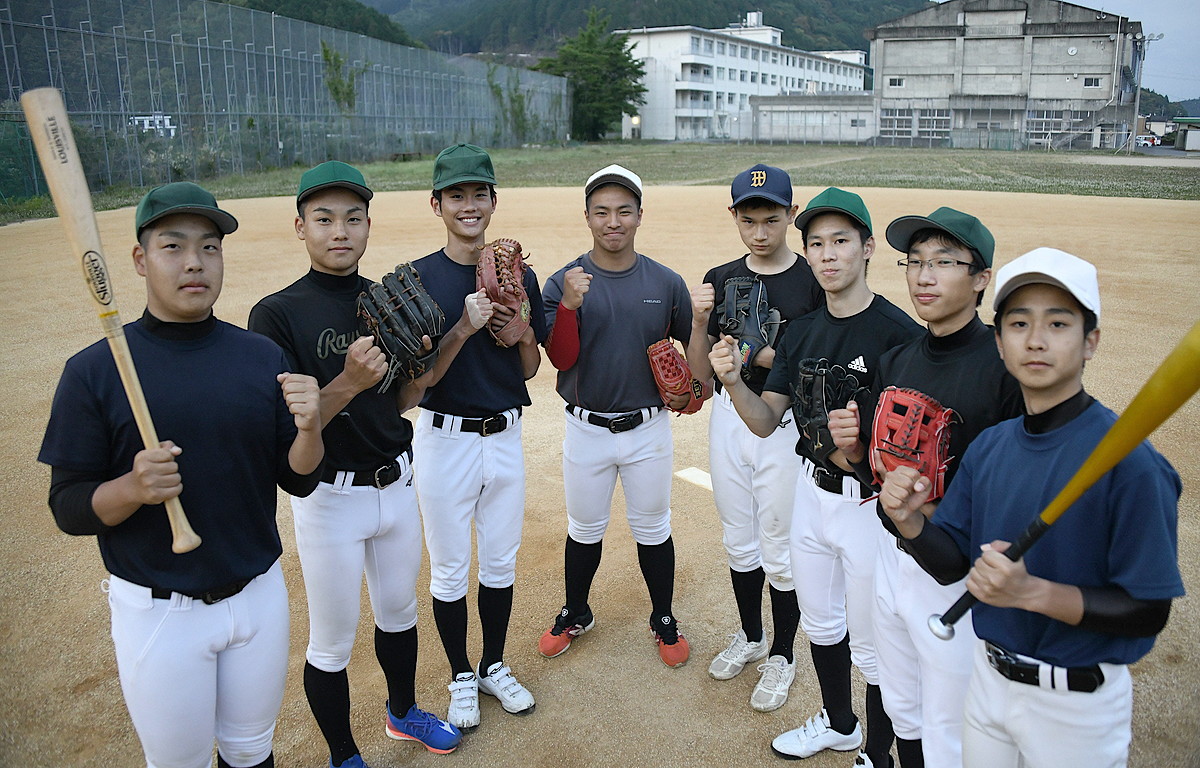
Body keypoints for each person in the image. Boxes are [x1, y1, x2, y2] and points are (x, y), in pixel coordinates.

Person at [39, 182, 324, 768]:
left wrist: (311, 429)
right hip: (161, 613)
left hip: (258, 595)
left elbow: (296, 481)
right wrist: (130, 489)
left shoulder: (260, 357)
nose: (194, 261)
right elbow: (67, 507)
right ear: (141, 261)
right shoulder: (93, 371)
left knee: (251, 753)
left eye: (209, 247)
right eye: (173, 246)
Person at [878, 248, 1184, 768]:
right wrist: (907, 520)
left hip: (1074, 707)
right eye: (1018, 323)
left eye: (1058, 323)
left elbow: (1148, 611)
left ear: (1091, 341)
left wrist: (1032, 593)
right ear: (999, 343)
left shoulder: (1132, 465)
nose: (1036, 340)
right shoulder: (993, 446)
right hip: (987, 683)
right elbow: (952, 561)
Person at [248, 162, 462, 768]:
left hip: (395, 481)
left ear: (368, 226)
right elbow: (289, 430)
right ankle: (344, 753)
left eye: (352, 217)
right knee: (332, 640)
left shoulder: (385, 299)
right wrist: (345, 380)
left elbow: (404, 400)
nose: (339, 230)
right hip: (327, 498)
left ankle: (401, 714)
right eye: (323, 218)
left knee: (399, 615)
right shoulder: (276, 314)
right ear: (300, 227)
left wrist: (422, 362)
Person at [710, 187, 920, 766]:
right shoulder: (800, 331)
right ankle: (839, 722)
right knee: (823, 625)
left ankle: (877, 754)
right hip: (810, 491)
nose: (828, 255)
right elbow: (764, 421)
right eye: (817, 244)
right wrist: (731, 381)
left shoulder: (897, 334)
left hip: (868, 508)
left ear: (868, 248)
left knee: (874, 646)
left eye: (841, 242)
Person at [827, 208, 1022, 768]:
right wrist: (857, 450)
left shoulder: (1005, 370)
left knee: (949, 730)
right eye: (914, 262)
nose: (924, 277)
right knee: (903, 709)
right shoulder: (899, 359)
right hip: (893, 558)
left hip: (957, 577)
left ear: (981, 278)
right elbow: (877, 474)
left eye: (943, 263)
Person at [410, 143, 546, 731]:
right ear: (437, 203)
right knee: (447, 569)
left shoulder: (522, 272)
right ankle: (461, 673)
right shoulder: (420, 279)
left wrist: (519, 332)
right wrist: (464, 326)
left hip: (505, 435)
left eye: (479, 194)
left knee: (499, 563)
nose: (470, 205)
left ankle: (493, 663)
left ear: (494, 200)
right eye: (457, 195)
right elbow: (416, 384)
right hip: (444, 439)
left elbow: (531, 368)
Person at [538, 164, 695, 668]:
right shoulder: (563, 281)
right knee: (584, 528)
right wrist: (567, 305)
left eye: (624, 211)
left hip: (648, 428)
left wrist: (694, 390)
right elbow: (560, 359)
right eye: (602, 211)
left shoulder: (666, 283)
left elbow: (693, 347)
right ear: (587, 217)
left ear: (639, 216)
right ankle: (576, 610)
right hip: (586, 429)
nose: (613, 221)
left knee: (653, 527)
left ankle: (663, 616)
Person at [685, 164, 823, 711]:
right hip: (727, 414)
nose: (760, 231)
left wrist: (765, 352)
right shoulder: (719, 277)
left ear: (791, 214)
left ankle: (784, 653)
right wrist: (699, 324)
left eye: (771, 219)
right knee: (739, 536)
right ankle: (751, 634)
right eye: (749, 219)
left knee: (780, 546)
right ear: (735, 217)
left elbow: (815, 366)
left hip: (783, 422)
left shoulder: (811, 280)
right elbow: (700, 373)